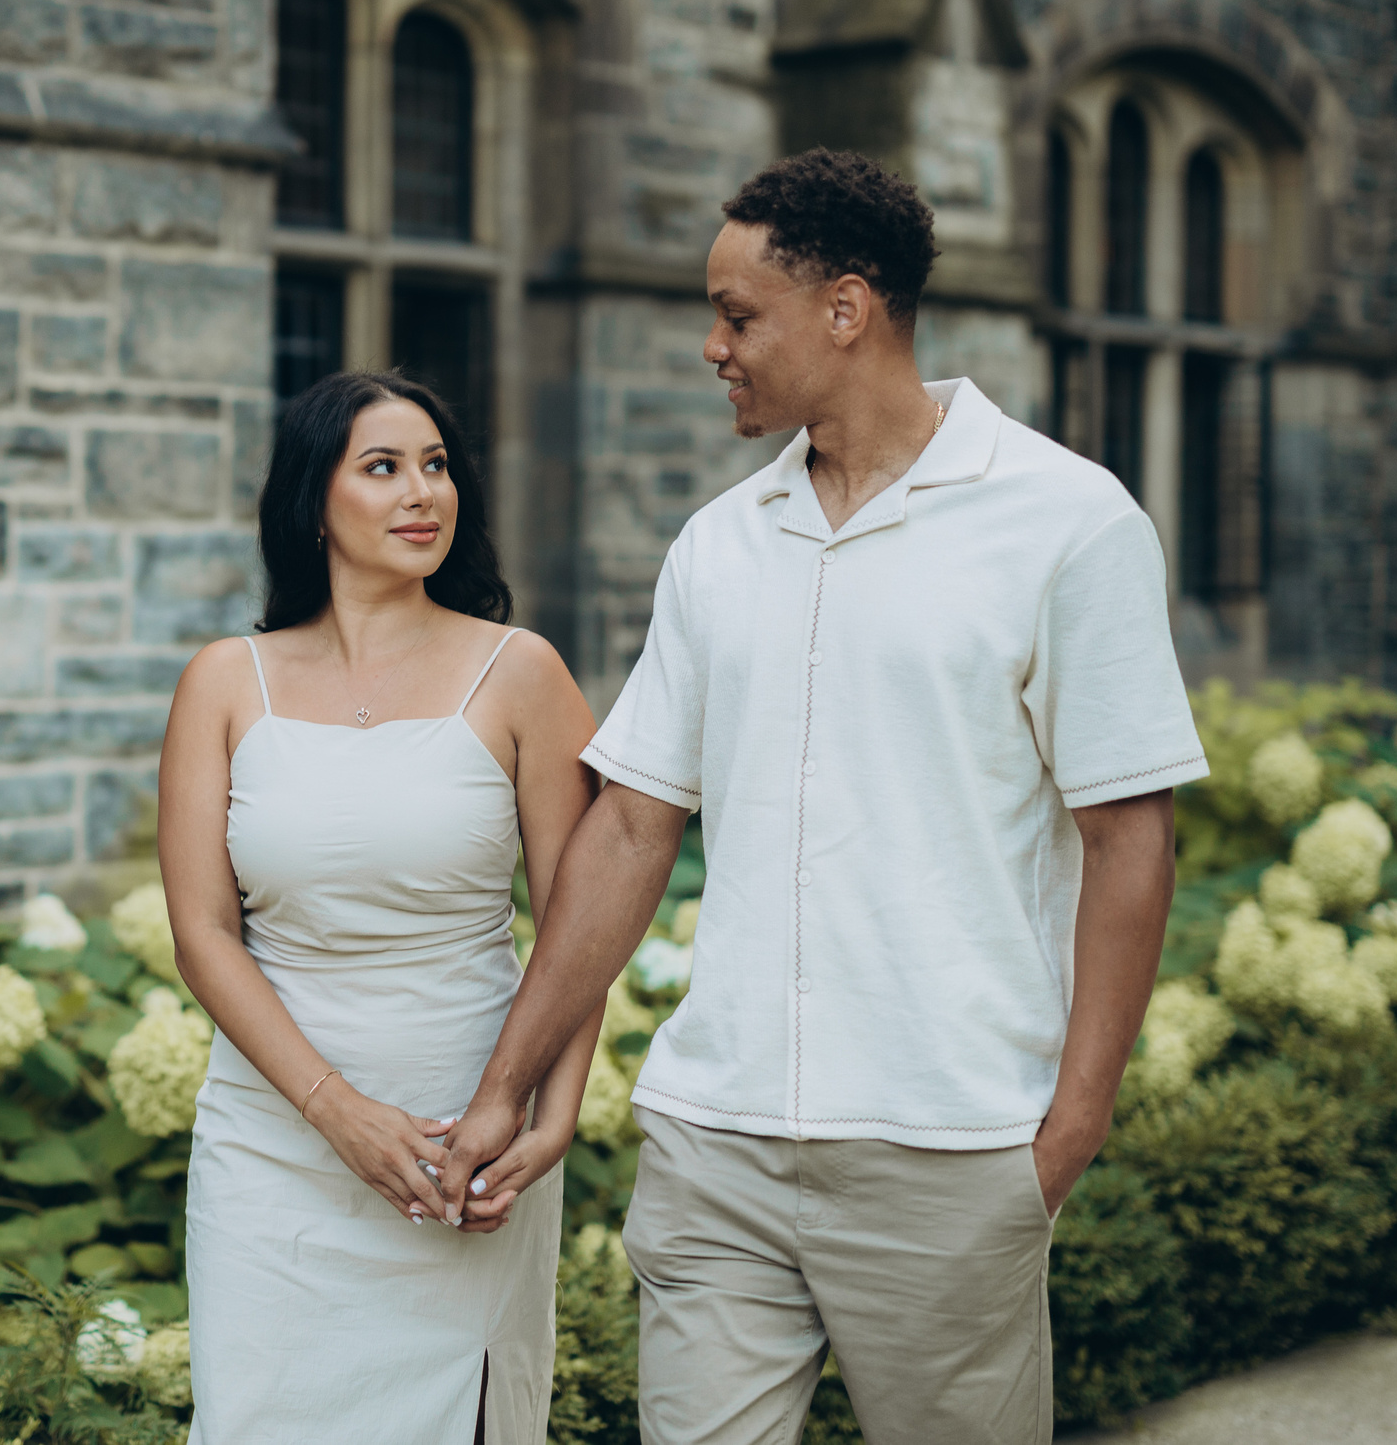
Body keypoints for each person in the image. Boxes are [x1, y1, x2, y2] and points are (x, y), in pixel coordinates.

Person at [437, 149, 1210, 1445]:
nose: (711, 346)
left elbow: (1130, 835)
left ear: (846, 310)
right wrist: (503, 1085)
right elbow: (633, 823)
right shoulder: (721, 544)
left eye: (739, 316)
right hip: (718, 1136)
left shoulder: (1068, 523)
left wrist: (1065, 1132)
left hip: (951, 1142)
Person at [157, 370, 602, 1444]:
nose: (424, 494)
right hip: (274, 1148)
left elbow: (580, 926)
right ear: (315, 502)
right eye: (384, 468)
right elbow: (204, 936)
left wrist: (554, 1116)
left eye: (438, 466)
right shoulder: (224, 683)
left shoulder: (522, 673)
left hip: (465, 1141)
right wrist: (334, 1111)